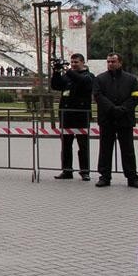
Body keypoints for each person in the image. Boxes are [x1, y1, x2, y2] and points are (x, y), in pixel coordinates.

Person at [93, 53, 138, 189]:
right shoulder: (100, 79)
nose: (110, 64)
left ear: (120, 63)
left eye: (113, 61)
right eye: (108, 61)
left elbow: (135, 97)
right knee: (105, 149)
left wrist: (122, 109)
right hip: (107, 119)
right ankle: (104, 177)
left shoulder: (131, 79)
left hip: (125, 119)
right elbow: (98, 96)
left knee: (128, 150)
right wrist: (111, 108)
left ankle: (132, 178)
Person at [50, 53, 93, 181]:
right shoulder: (68, 76)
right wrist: (56, 72)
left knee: (83, 146)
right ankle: (67, 170)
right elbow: (56, 85)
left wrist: (68, 70)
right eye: (72, 62)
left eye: (76, 62)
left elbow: (82, 82)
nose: (73, 64)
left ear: (83, 63)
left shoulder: (89, 76)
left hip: (81, 116)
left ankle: (85, 171)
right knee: (66, 146)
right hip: (66, 115)